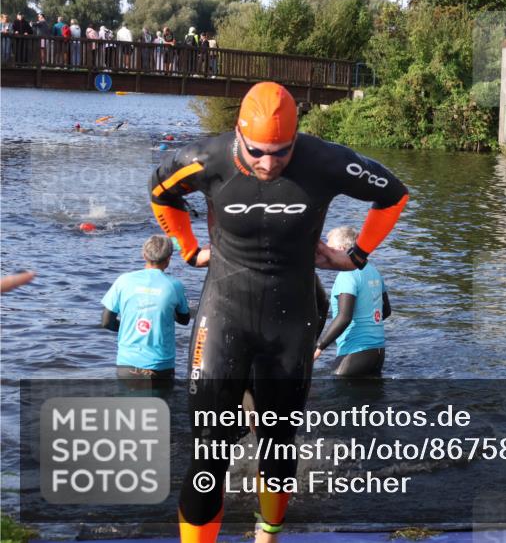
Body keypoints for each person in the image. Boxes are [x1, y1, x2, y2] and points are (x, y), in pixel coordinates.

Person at [148, 81, 408, 542]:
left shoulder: (324, 161)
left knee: (279, 442)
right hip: (224, 313)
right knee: (208, 451)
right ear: (238, 135)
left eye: (281, 153)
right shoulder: (207, 158)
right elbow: (160, 191)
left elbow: (393, 194)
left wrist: (357, 255)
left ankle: (268, 534)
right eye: (257, 152)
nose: (269, 163)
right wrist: (186, 249)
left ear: (295, 138)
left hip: (290, 322)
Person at [101, 235, 191, 391]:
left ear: (144, 255)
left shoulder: (123, 281)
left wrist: (128, 328)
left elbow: (106, 322)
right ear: (168, 259)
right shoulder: (174, 285)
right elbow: (184, 319)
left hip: (127, 364)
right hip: (160, 366)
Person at [314, 226, 390, 376]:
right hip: (378, 353)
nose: (323, 254)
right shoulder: (373, 271)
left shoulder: (346, 275)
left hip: (355, 353)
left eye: (329, 248)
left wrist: (319, 347)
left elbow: (344, 317)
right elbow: (386, 311)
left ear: (341, 249)